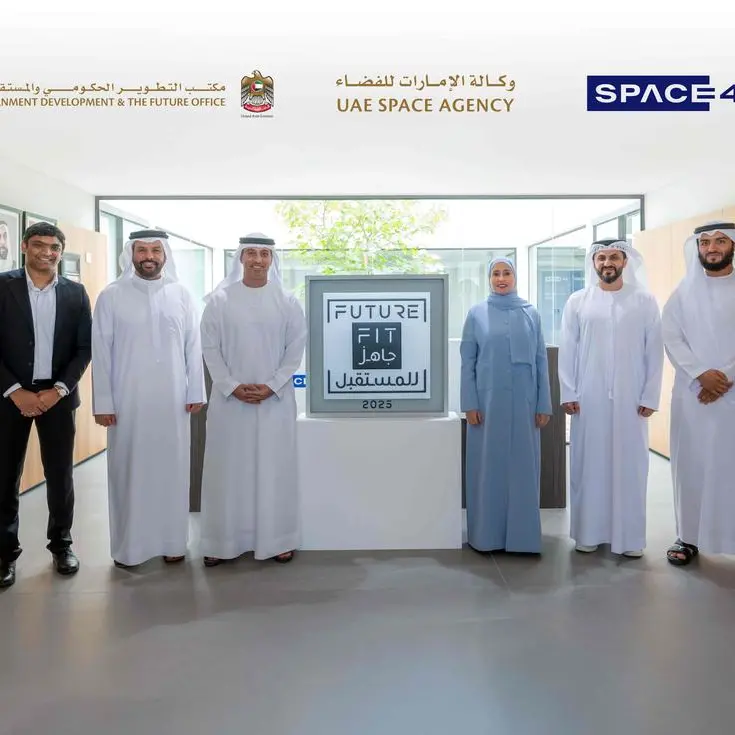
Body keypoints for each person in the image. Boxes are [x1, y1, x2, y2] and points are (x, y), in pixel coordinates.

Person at [91, 230, 206, 568]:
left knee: (172, 470)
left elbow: (193, 346)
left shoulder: (181, 294)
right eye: (142, 250)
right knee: (129, 472)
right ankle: (130, 548)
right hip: (128, 401)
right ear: (131, 254)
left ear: (165, 254)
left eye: (156, 250)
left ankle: (173, 542)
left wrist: (195, 390)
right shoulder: (111, 296)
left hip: (173, 401)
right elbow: (101, 352)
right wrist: (103, 402)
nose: (149, 256)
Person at [199, 233, 307, 566]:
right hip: (229, 402)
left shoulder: (288, 301)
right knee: (227, 471)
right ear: (241, 258)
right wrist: (231, 386)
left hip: (275, 402)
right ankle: (221, 543)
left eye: (264, 254)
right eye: (251, 253)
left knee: (273, 470)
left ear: (271, 259)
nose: (257, 260)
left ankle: (277, 540)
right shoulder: (219, 300)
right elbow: (209, 349)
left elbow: (295, 350)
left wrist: (272, 385)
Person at [0, 222, 92, 588]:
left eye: (54, 247)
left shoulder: (75, 292)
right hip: (9, 397)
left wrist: (59, 389)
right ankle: (5, 554)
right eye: (39, 245)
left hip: (58, 397)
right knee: (5, 476)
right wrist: (14, 391)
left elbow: (84, 348)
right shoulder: (2, 286)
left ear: (60, 252)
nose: (47, 252)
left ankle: (61, 546)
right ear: (24, 247)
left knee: (60, 475)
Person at [559, 238, 663, 558]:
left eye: (614, 257)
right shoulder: (578, 301)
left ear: (625, 261)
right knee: (589, 465)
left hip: (632, 399)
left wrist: (650, 395)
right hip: (588, 398)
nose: (607, 263)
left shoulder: (644, 301)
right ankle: (588, 533)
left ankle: (629, 539)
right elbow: (568, 348)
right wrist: (568, 391)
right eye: (601, 257)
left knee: (630, 466)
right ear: (594, 263)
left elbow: (654, 351)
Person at [460, 257, 552, 555]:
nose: (501, 278)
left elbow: (540, 360)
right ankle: (486, 537)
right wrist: (469, 403)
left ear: (515, 277)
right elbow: (467, 362)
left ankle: (523, 539)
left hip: (524, 405)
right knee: (488, 468)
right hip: (487, 406)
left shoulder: (530, 313)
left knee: (523, 469)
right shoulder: (476, 314)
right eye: (496, 274)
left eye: (507, 273)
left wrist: (544, 403)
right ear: (489, 279)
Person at [662, 221, 735, 566]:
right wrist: (701, 375)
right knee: (691, 466)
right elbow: (671, 337)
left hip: (730, 394)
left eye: (720, 241)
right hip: (693, 396)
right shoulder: (683, 293)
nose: (712, 248)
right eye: (705, 242)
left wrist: (724, 378)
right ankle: (688, 536)